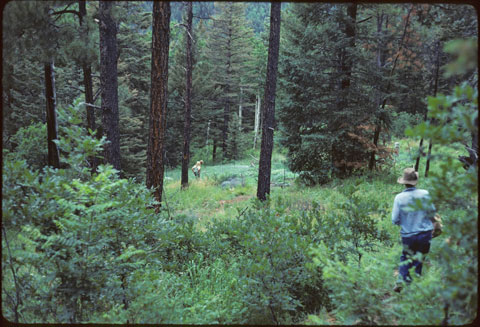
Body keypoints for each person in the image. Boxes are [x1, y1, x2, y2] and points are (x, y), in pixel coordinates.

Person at [392, 167, 436, 292]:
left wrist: (406, 222)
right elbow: (432, 213)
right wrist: (433, 225)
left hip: (408, 234)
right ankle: (413, 287)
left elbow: (394, 219)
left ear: (404, 182)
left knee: (405, 257)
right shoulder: (425, 194)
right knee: (419, 259)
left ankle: (401, 281)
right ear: (415, 181)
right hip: (425, 234)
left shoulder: (399, 198)